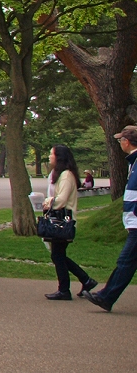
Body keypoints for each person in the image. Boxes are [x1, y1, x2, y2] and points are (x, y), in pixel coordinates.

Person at [85, 125, 137, 312]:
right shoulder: (133, 162)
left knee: (125, 261)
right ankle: (106, 297)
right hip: (133, 222)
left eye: (120, 140)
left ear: (127, 141)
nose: (119, 143)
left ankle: (106, 297)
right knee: (128, 262)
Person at [41, 144, 96, 300]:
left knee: (57, 255)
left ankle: (65, 289)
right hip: (62, 221)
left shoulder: (66, 176)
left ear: (59, 157)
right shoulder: (61, 174)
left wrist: (49, 202)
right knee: (58, 254)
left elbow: (62, 200)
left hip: (63, 222)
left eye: (51, 154)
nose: (49, 157)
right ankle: (85, 280)